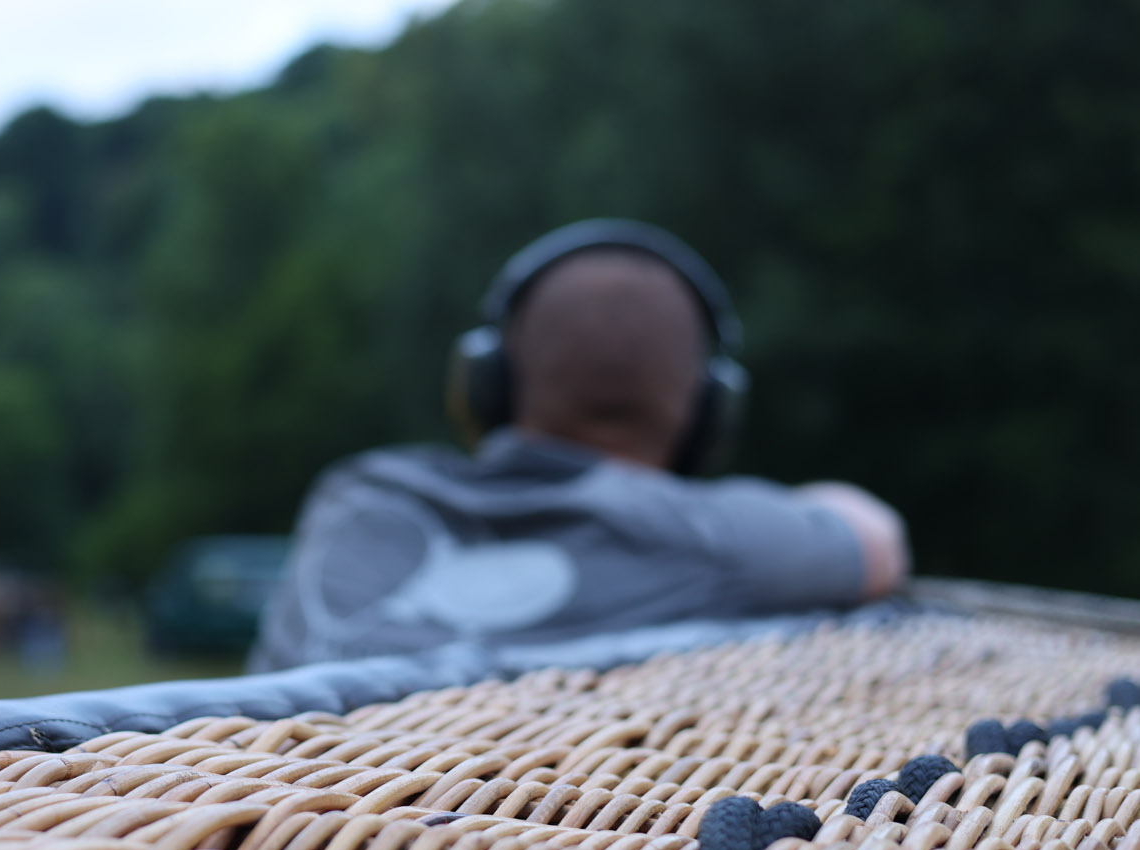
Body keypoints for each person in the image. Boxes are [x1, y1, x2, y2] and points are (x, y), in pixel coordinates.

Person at [249, 220, 908, 672]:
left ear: (488, 387)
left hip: (279, 841)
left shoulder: (358, 493)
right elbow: (878, 541)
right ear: (709, 412)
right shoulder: (712, 538)